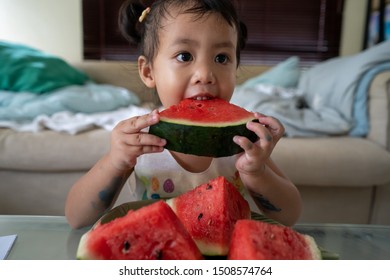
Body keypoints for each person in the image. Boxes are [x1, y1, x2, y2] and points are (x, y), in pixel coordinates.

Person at [65, 0, 302, 229]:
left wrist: (256, 172)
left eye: (222, 58)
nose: (205, 74)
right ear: (148, 72)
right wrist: (116, 161)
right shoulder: (140, 139)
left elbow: (289, 215)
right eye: (184, 56)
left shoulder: (241, 140)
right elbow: (76, 217)